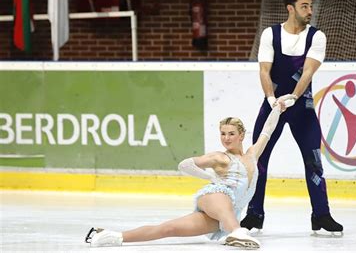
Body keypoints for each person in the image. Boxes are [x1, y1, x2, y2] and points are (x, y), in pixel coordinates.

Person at [84, 96, 297, 249]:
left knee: (166, 229)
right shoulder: (219, 157)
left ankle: (110, 236)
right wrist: (211, 177)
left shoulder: (252, 155)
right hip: (213, 198)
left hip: (225, 215)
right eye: (222, 134)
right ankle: (237, 232)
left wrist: (277, 108)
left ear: (242, 135)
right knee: (223, 203)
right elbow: (185, 165)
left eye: (231, 134)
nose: (226, 138)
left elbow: (267, 131)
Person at [240, 0, 343, 233]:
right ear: (290, 8)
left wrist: (294, 97)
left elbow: (308, 71)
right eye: (304, 6)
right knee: (258, 161)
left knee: (314, 162)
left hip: (302, 109)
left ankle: (321, 214)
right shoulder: (270, 34)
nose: (310, 11)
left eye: (310, 6)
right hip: (272, 108)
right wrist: (271, 99)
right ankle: (254, 214)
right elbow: (264, 70)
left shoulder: (317, 37)